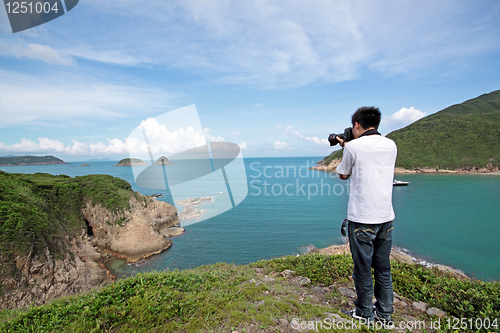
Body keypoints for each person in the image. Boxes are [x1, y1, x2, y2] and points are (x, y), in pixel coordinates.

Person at [335, 106, 397, 325]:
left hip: (362, 218)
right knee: (382, 268)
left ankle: (364, 313)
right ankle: (385, 315)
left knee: (362, 269)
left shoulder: (353, 147)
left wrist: (345, 145)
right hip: (386, 217)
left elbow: (343, 174)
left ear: (356, 125)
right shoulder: (391, 144)